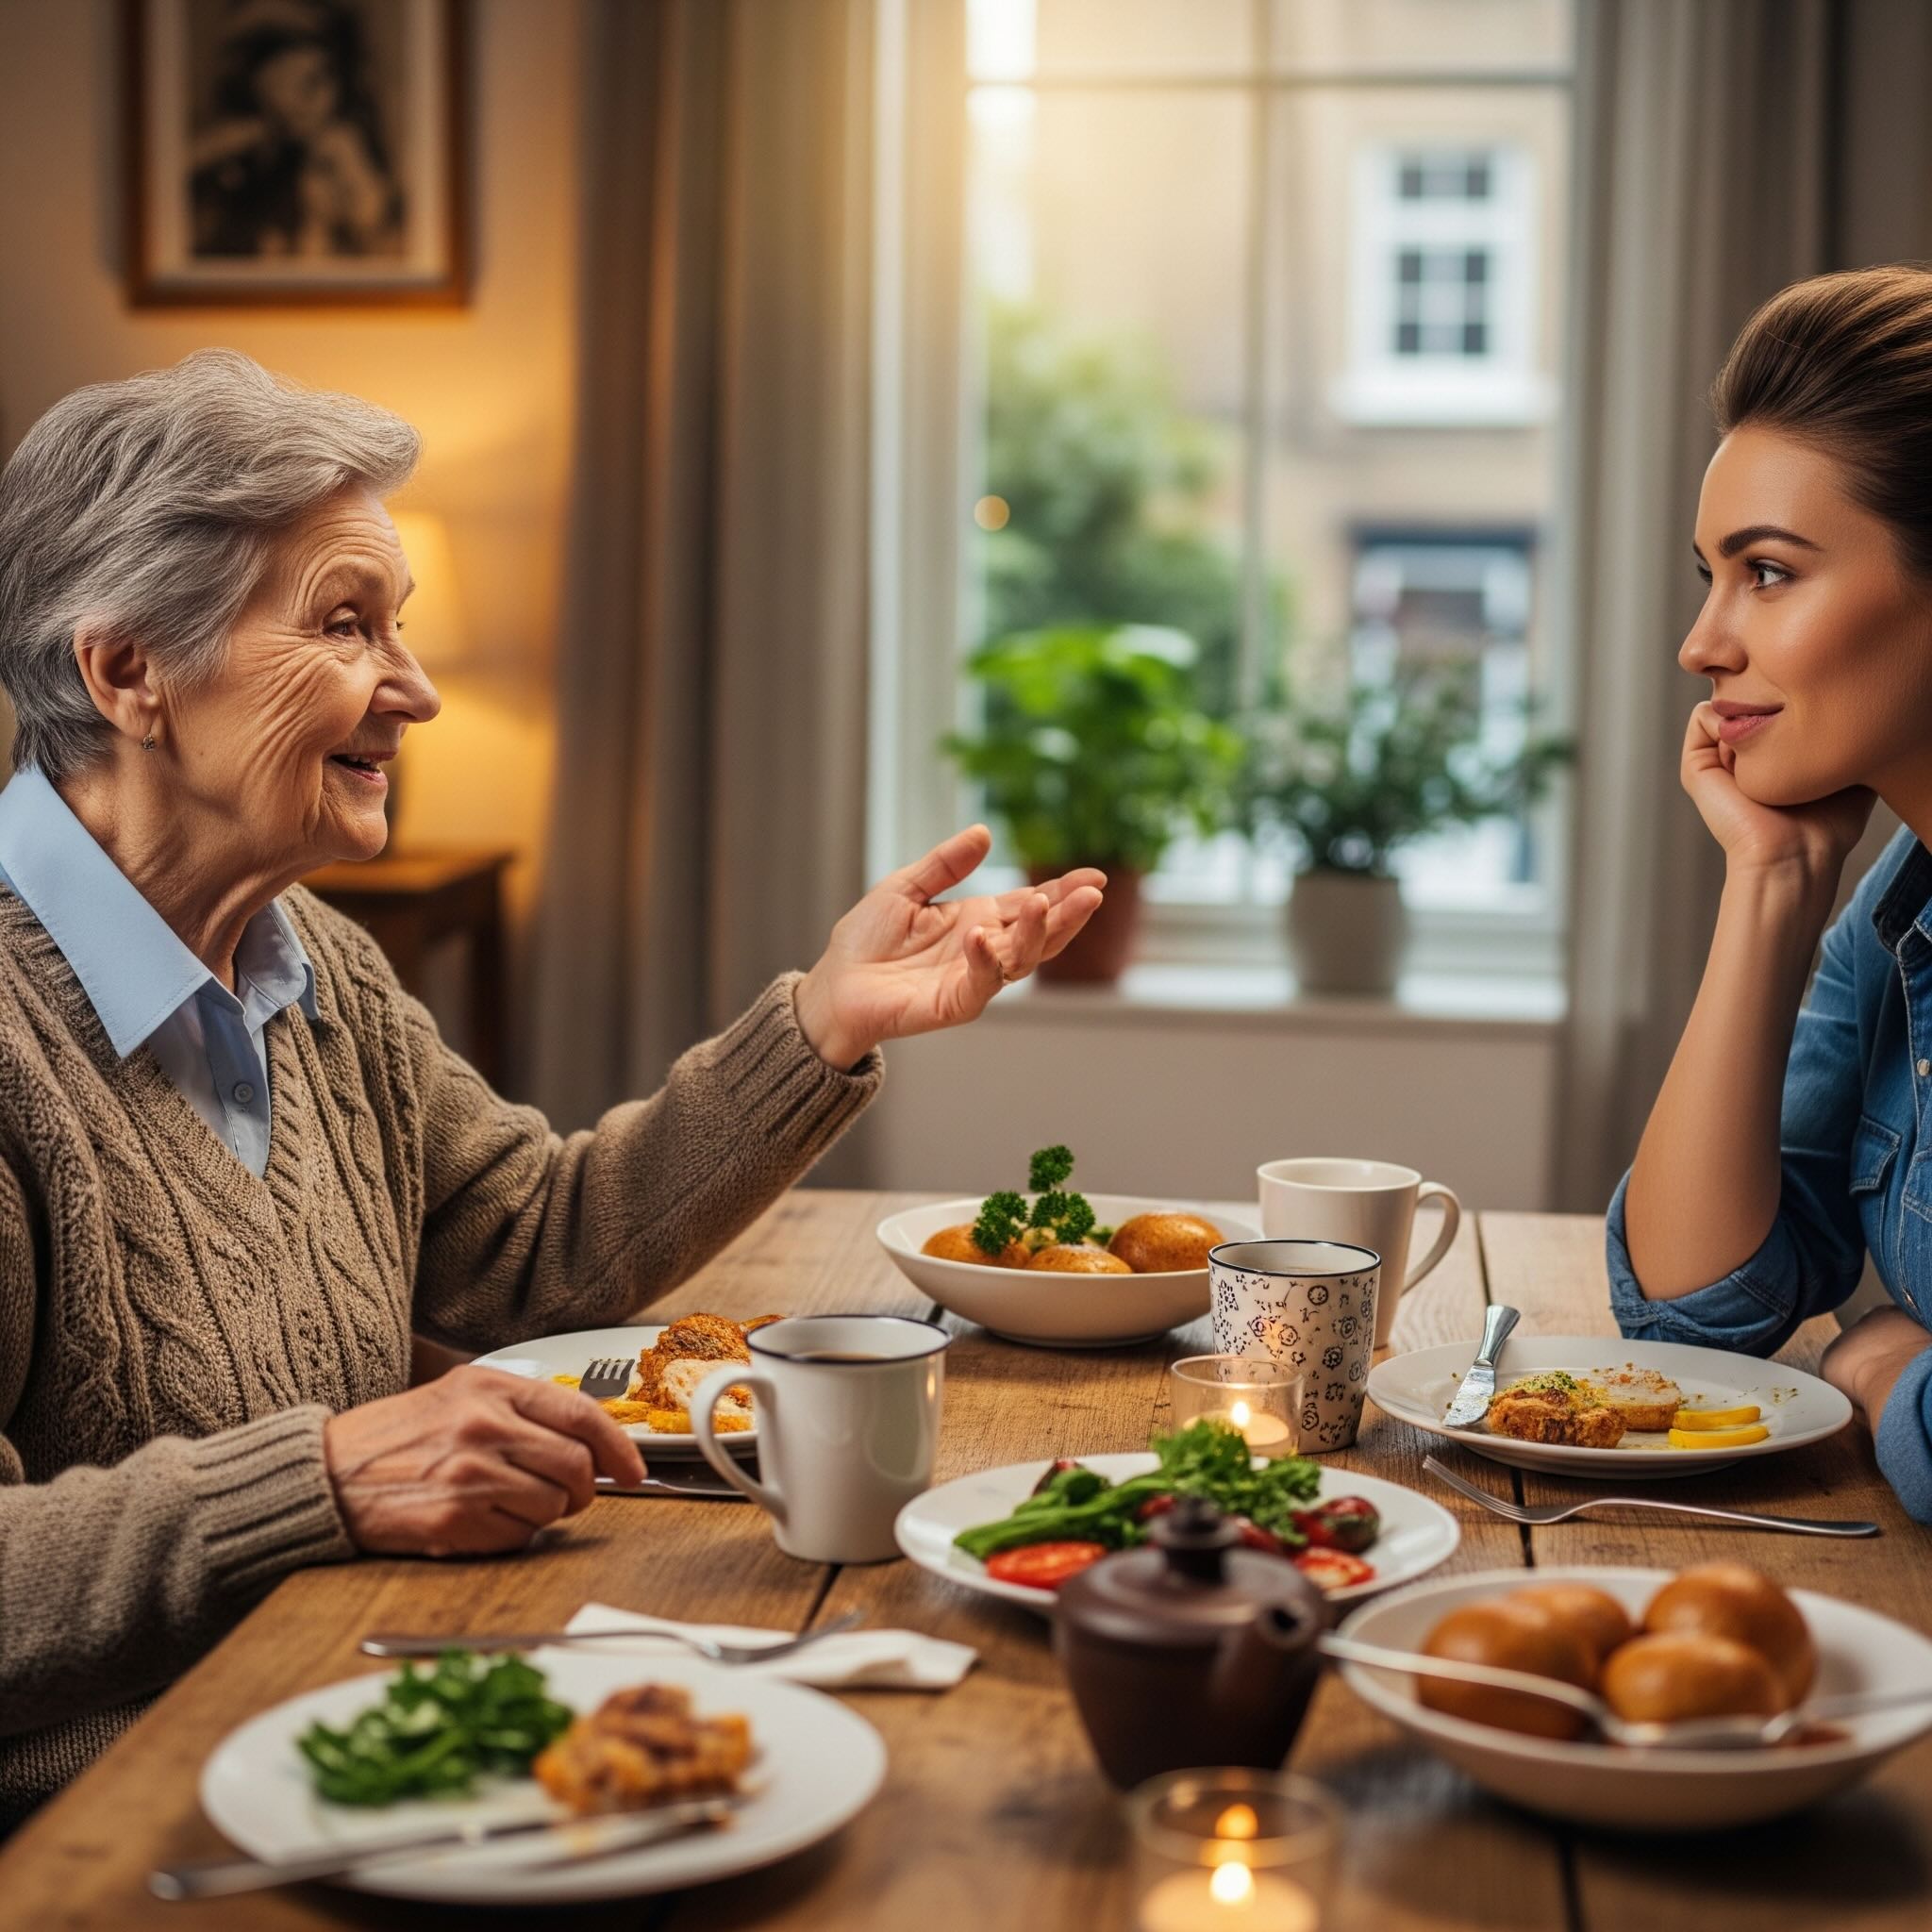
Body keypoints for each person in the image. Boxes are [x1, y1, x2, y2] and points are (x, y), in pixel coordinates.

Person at [0, 349, 1104, 1815]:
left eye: (401, 628)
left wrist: (822, 1026)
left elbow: (533, 1252)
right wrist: (319, 1483)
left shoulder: (307, 960)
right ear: (129, 668)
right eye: (347, 628)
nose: (419, 690)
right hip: (117, 1823)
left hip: (368, 1711)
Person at [1613, 266, 1932, 1524]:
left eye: (1770, 572)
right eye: (1711, 573)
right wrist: (1775, 884)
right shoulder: (1898, 909)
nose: (1702, 643)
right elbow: (1693, 1312)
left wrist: (1885, 1366)